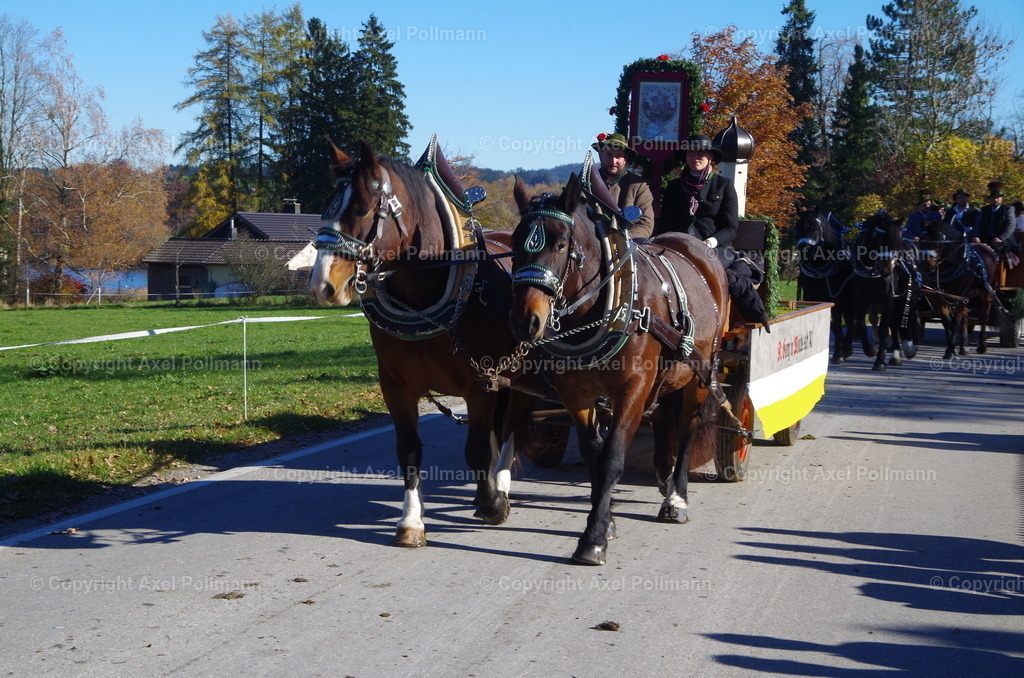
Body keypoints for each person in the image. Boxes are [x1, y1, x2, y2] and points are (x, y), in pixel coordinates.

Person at [656, 133, 769, 327]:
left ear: (710, 157)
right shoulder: (674, 187)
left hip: (715, 249)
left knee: (726, 275)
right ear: (685, 157)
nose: (695, 157)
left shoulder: (724, 185)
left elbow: (731, 228)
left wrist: (710, 242)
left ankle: (750, 318)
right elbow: (666, 225)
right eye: (691, 152)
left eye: (701, 152)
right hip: (678, 248)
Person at [591, 132, 655, 238]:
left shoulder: (639, 186)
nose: (613, 161)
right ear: (600, 155)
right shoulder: (587, 182)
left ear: (625, 158)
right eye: (609, 154)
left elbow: (645, 224)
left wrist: (621, 240)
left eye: (619, 156)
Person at [977, 181, 1018, 255]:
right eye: (993, 198)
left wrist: (1001, 238)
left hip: (1004, 240)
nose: (995, 200)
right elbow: (978, 225)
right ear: (990, 199)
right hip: (986, 239)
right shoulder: (984, 210)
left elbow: (1011, 225)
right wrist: (976, 236)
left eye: (997, 198)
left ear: (1001, 198)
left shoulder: (1008, 209)